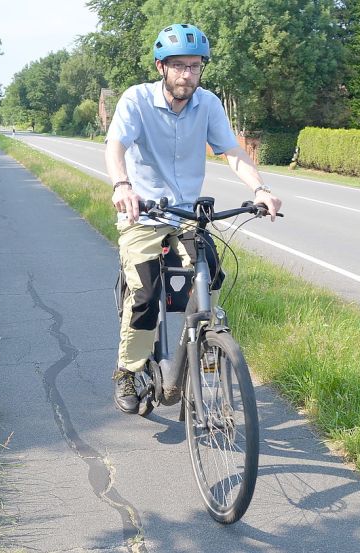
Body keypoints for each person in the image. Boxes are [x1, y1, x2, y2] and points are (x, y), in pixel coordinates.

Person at [104, 23, 282, 413]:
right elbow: (116, 144)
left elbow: (231, 150)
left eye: (195, 66)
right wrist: (122, 185)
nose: (187, 74)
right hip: (144, 213)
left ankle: (201, 343)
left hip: (186, 215)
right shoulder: (136, 100)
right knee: (146, 297)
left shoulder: (209, 103)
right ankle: (128, 370)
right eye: (179, 66)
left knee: (212, 275)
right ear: (161, 67)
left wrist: (260, 189)